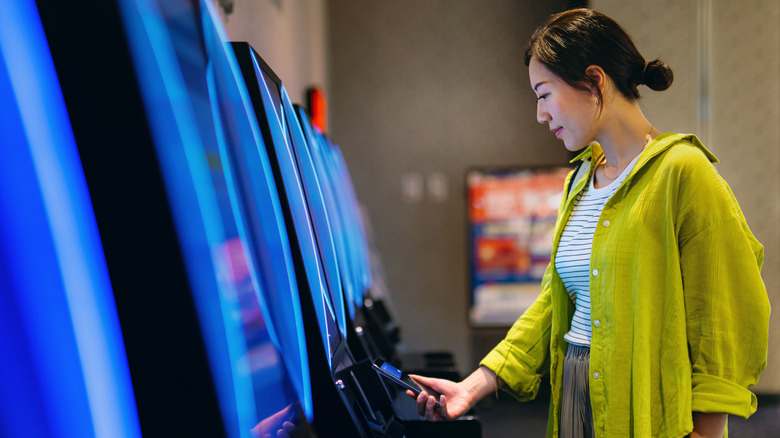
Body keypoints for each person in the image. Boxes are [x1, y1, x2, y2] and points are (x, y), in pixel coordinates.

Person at [408, 8, 770, 438]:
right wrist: (473, 385)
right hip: (577, 388)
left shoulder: (683, 172)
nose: (540, 114)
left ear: (594, 81)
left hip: (645, 404)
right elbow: (552, 304)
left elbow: (722, 317)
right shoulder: (580, 179)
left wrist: (707, 431)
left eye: (543, 94)